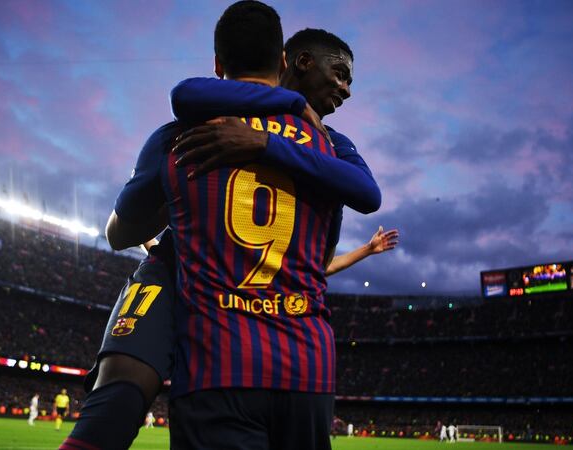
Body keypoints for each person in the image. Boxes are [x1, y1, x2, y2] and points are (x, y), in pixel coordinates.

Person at [61, 6, 392, 450]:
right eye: (341, 75)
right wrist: (289, 116)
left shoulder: (184, 131)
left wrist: (258, 143)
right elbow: (367, 197)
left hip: (213, 335)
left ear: (218, 64)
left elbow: (119, 233)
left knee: (119, 388)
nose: (347, 89)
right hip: (300, 352)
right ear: (286, 61)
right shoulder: (330, 146)